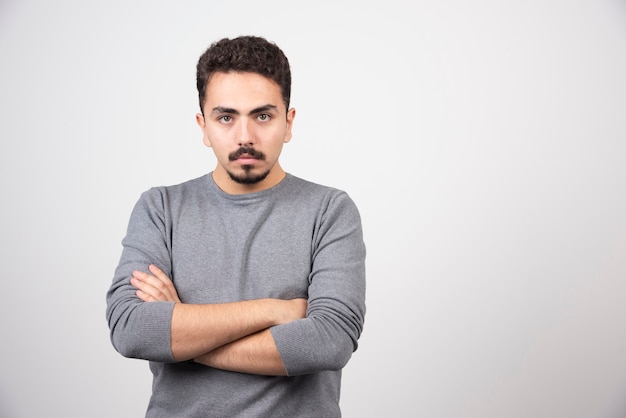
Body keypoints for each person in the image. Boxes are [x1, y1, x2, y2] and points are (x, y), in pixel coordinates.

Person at [105, 35, 366, 417]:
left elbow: (328, 341)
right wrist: (275, 310)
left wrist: (183, 332)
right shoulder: (160, 208)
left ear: (288, 122)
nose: (245, 137)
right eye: (226, 117)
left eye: (263, 116)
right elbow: (131, 329)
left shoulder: (330, 210)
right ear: (203, 126)